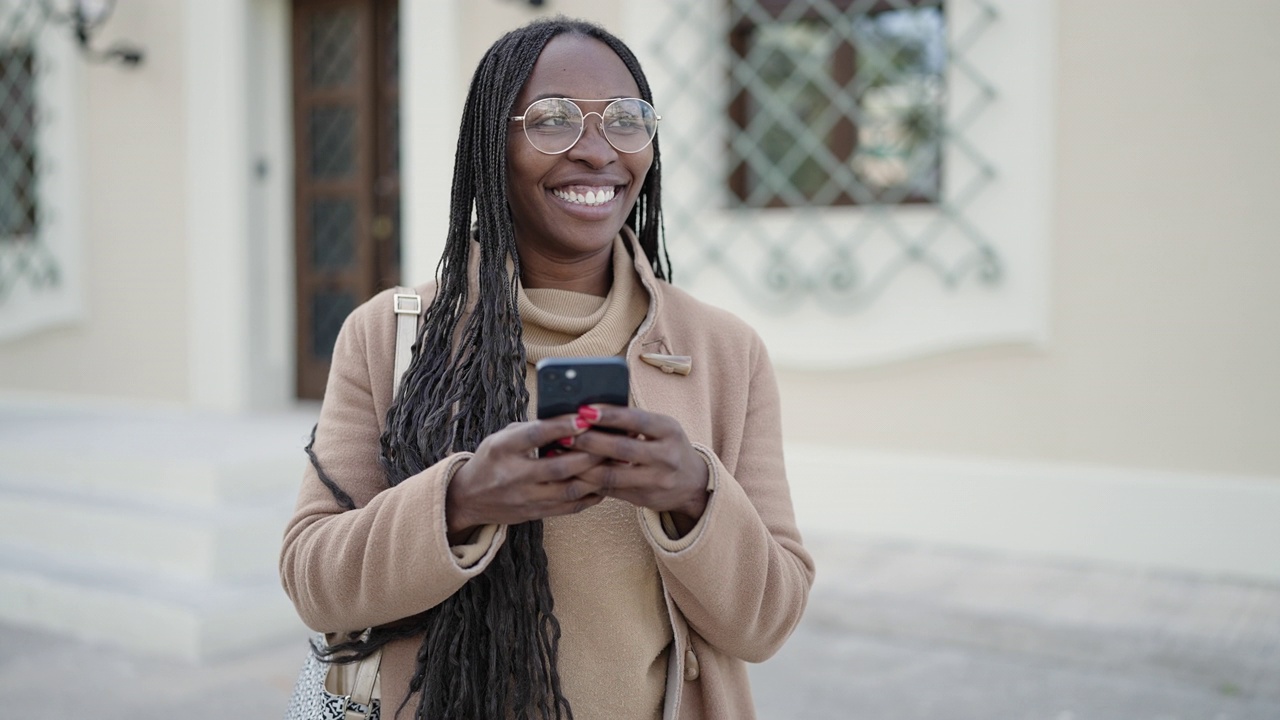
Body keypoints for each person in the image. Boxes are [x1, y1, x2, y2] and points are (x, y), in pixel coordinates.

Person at [280, 16, 814, 720]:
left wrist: (695, 494)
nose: (598, 151)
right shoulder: (389, 334)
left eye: (627, 120)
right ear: (490, 145)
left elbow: (768, 621)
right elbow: (314, 584)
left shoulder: (723, 350)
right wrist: (461, 501)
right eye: (553, 120)